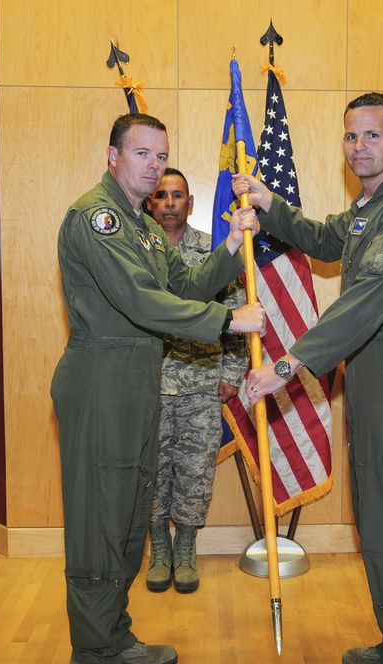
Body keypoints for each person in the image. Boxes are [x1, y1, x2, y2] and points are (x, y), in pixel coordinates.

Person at [234, 92, 383, 664]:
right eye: (350, 137)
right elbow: (328, 239)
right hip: (372, 377)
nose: (358, 148)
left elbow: (366, 300)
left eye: (372, 136)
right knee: (378, 516)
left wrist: (287, 365)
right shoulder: (367, 209)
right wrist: (269, 202)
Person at [50, 113, 265, 664]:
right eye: (142, 153)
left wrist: (230, 245)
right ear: (113, 155)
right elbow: (141, 299)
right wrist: (226, 321)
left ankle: (114, 635)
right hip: (102, 382)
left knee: (126, 517)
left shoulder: (142, 225)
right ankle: (94, 649)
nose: (154, 166)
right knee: (101, 518)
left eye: (161, 155)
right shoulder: (97, 218)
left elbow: (186, 284)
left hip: (139, 378)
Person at [142, 168, 248, 594]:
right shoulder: (137, 250)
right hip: (148, 383)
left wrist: (232, 373)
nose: (169, 203)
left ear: (191, 202)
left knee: (194, 469)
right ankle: (159, 550)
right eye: (161, 195)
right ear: (150, 203)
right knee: (151, 470)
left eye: (178, 195)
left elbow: (237, 310)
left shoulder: (212, 251)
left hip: (202, 382)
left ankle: (185, 547)